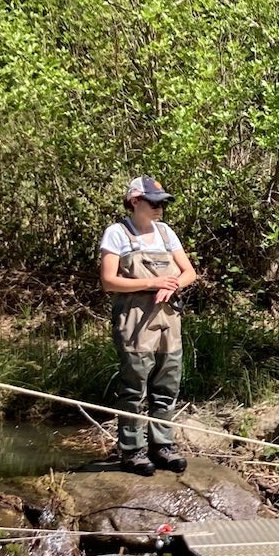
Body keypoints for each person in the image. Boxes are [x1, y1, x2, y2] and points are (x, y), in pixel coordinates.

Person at [99, 176, 199, 475]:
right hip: (134, 321)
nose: (160, 209)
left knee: (166, 386)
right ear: (134, 202)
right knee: (133, 389)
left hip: (168, 320)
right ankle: (132, 451)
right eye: (154, 203)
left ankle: (162, 446)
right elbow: (108, 281)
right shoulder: (117, 234)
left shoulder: (167, 234)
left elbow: (189, 272)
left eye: (163, 203)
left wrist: (173, 286)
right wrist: (152, 282)